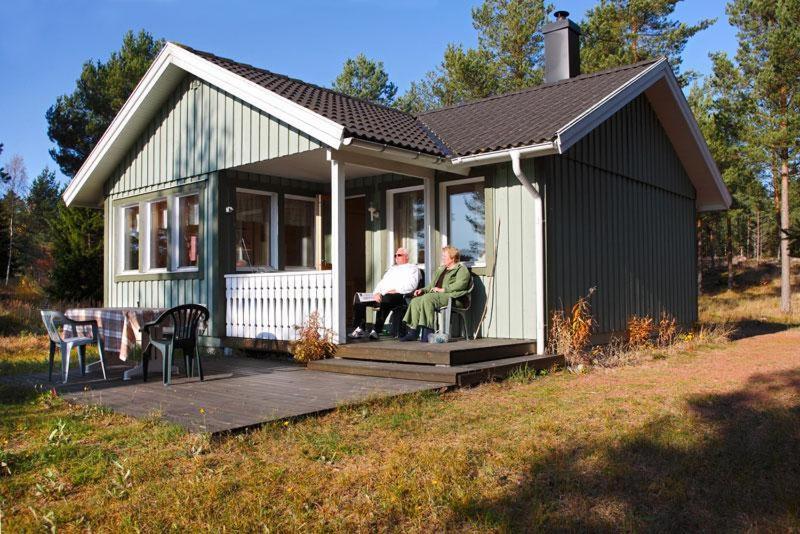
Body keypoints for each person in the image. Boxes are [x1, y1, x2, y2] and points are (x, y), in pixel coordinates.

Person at [400, 245, 471, 342]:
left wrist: (443, 289)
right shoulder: (441, 269)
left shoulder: (461, 269)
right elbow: (431, 286)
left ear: (453, 258)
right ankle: (413, 332)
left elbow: (460, 285)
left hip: (455, 298)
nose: (443, 258)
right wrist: (423, 290)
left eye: (445, 256)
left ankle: (428, 331)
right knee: (416, 301)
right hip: (439, 296)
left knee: (428, 298)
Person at [348, 247, 421, 340]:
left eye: (399, 255)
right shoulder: (392, 269)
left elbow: (412, 285)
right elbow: (381, 283)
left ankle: (376, 330)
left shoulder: (412, 268)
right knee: (359, 297)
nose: (396, 257)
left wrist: (396, 289)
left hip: (398, 296)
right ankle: (360, 328)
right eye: (395, 255)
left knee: (386, 298)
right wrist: (376, 293)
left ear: (406, 257)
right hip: (382, 294)